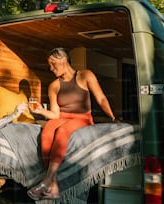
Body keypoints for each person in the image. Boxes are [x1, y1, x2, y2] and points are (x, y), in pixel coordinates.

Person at [27, 47, 117, 200]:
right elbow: (55, 114)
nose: (51, 68)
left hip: (83, 118)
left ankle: (48, 179)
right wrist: (41, 111)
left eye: (53, 63)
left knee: (63, 131)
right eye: (49, 65)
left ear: (64, 60)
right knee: (48, 129)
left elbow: (101, 98)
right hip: (62, 117)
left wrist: (113, 118)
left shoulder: (85, 75)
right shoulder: (54, 86)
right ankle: (53, 185)